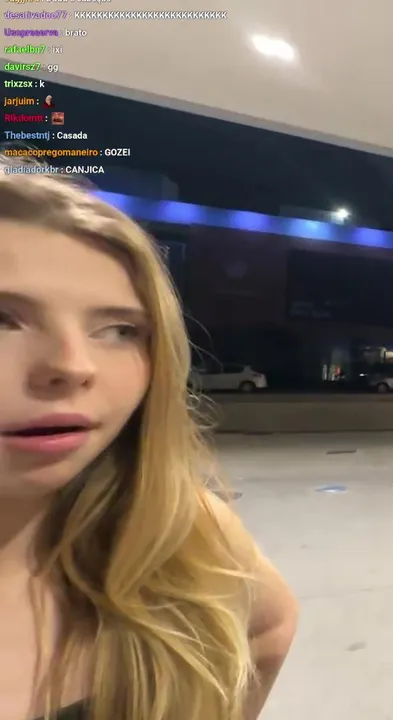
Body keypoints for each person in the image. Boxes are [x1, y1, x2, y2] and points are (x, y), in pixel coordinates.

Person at [0, 159, 298, 720]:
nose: (72, 365)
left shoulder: (175, 527)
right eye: (2, 318)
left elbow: (271, 627)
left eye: (119, 330)